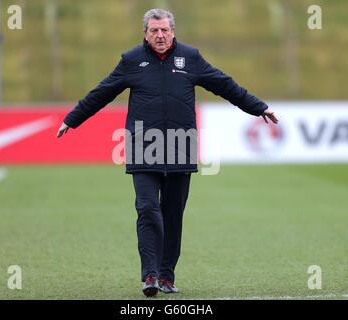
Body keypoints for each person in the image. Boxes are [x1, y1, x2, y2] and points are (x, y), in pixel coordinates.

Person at [57, 8, 278, 297]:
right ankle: (149, 275)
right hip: (143, 148)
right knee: (148, 209)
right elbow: (102, 92)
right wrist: (72, 119)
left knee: (173, 215)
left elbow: (225, 85)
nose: (160, 36)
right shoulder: (131, 61)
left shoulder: (191, 58)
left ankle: (167, 277)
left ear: (173, 31)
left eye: (164, 30)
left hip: (180, 147)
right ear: (145, 34)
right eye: (154, 31)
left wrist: (258, 106)